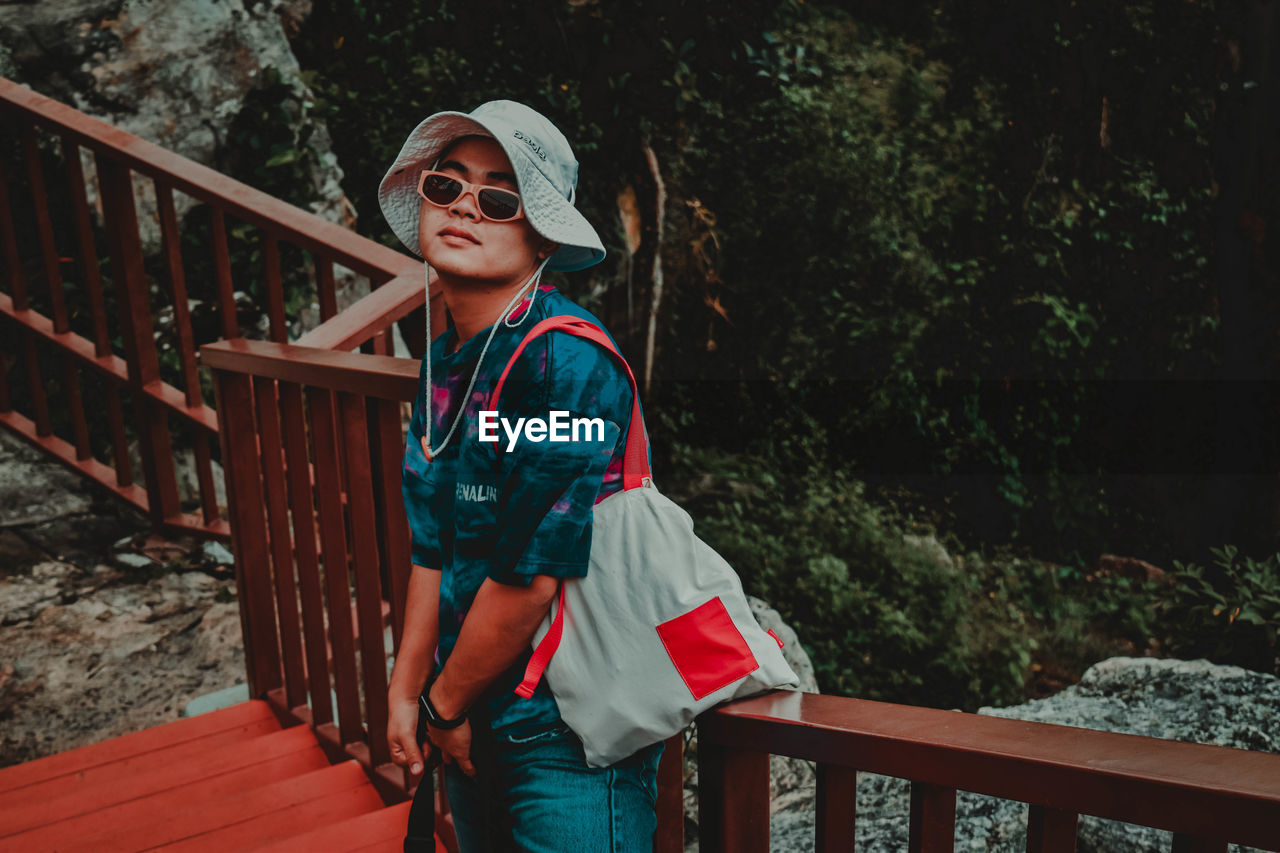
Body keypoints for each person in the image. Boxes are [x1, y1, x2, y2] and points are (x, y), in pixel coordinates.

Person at [379, 101, 664, 852]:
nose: (466, 206)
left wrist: (440, 704)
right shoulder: (445, 362)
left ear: (540, 234)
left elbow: (531, 575)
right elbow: (431, 543)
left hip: (567, 728)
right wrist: (407, 690)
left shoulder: (566, 364)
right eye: (448, 187)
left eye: (499, 198)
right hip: (469, 705)